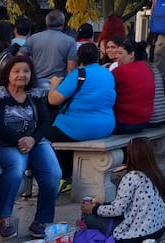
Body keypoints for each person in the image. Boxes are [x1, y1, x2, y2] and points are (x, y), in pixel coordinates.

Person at [0, 54, 60, 238]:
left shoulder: (35, 94)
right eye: (16, 71)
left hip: (35, 141)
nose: (21, 75)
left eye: (26, 71)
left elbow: (45, 123)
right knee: (16, 167)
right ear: (8, 74)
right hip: (3, 142)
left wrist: (32, 139)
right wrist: (19, 140)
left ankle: (41, 221)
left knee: (53, 173)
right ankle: (4, 216)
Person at [47, 43, 116, 193]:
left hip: (79, 128)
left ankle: (63, 176)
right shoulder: (107, 73)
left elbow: (53, 100)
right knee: (62, 135)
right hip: (106, 126)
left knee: (46, 135)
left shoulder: (79, 74)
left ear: (78, 57)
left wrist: (54, 84)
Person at [81, 137, 165, 243]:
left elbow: (118, 210)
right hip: (159, 230)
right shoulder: (156, 174)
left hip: (138, 234)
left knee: (88, 217)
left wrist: (94, 209)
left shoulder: (132, 177)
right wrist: (103, 205)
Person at [21, 9, 78, 90]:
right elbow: (71, 69)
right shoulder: (69, 41)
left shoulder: (33, 38)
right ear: (63, 23)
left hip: (36, 84)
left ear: (46, 22)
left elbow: (20, 57)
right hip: (58, 85)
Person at [110, 38, 155, 134]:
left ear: (131, 54)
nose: (116, 56)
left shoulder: (120, 70)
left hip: (125, 122)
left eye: (120, 53)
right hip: (144, 121)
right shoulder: (146, 67)